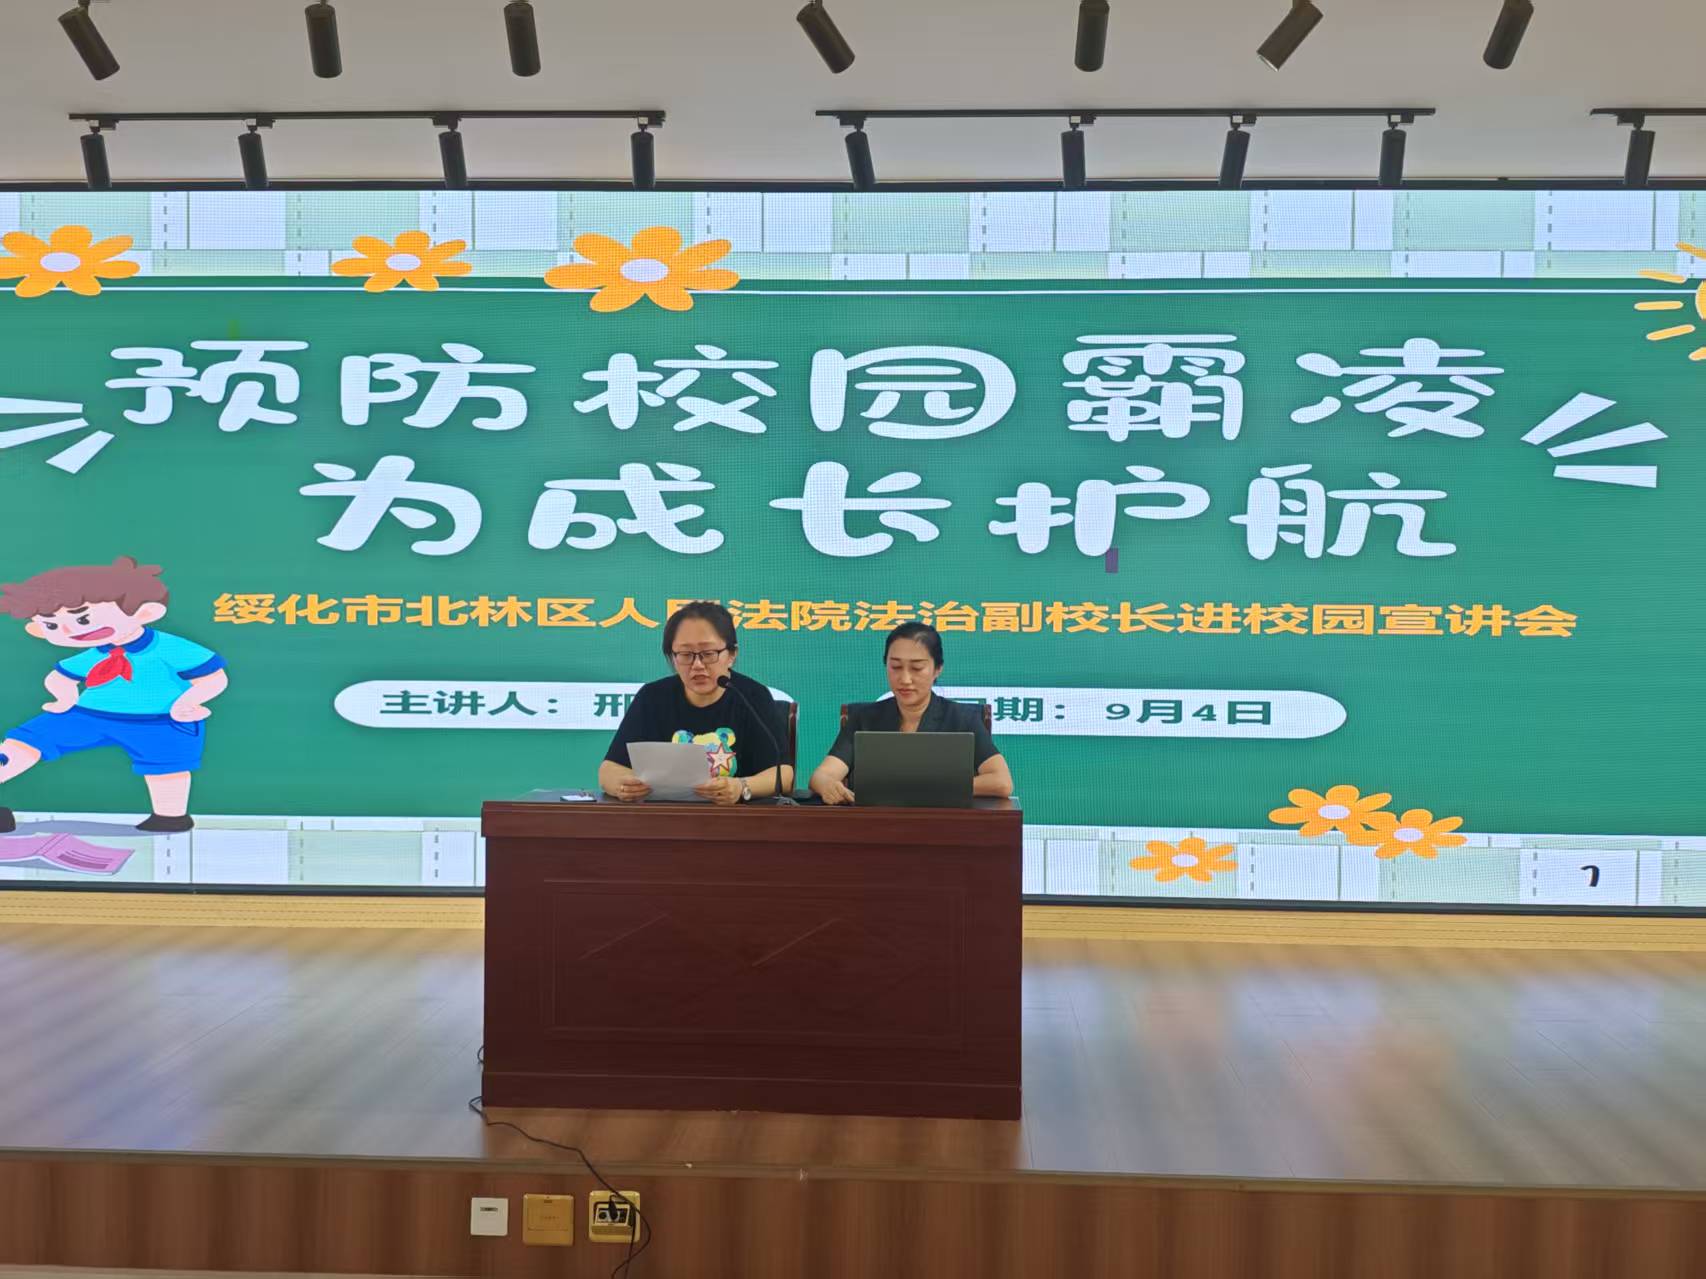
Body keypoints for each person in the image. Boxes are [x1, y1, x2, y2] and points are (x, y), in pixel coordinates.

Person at [599, 601, 793, 805]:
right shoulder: (652, 697)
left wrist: (741, 786)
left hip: (736, 818)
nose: (697, 665)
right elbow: (609, 769)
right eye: (685, 655)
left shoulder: (753, 696)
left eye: (708, 654)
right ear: (672, 657)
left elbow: (783, 775)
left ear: (731, 654)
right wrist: (624, 785)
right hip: (665, 817)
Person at [809, 621, 1013, 805]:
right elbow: (822, 776)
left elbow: (1001, 782)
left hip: (944, 826)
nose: (905, 679)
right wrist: (827, 785)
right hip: (875, 825)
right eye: (896, 667)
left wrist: (931, 789)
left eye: (916, 668)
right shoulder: (864, 718)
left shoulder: (962, 718)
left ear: (937, 669)